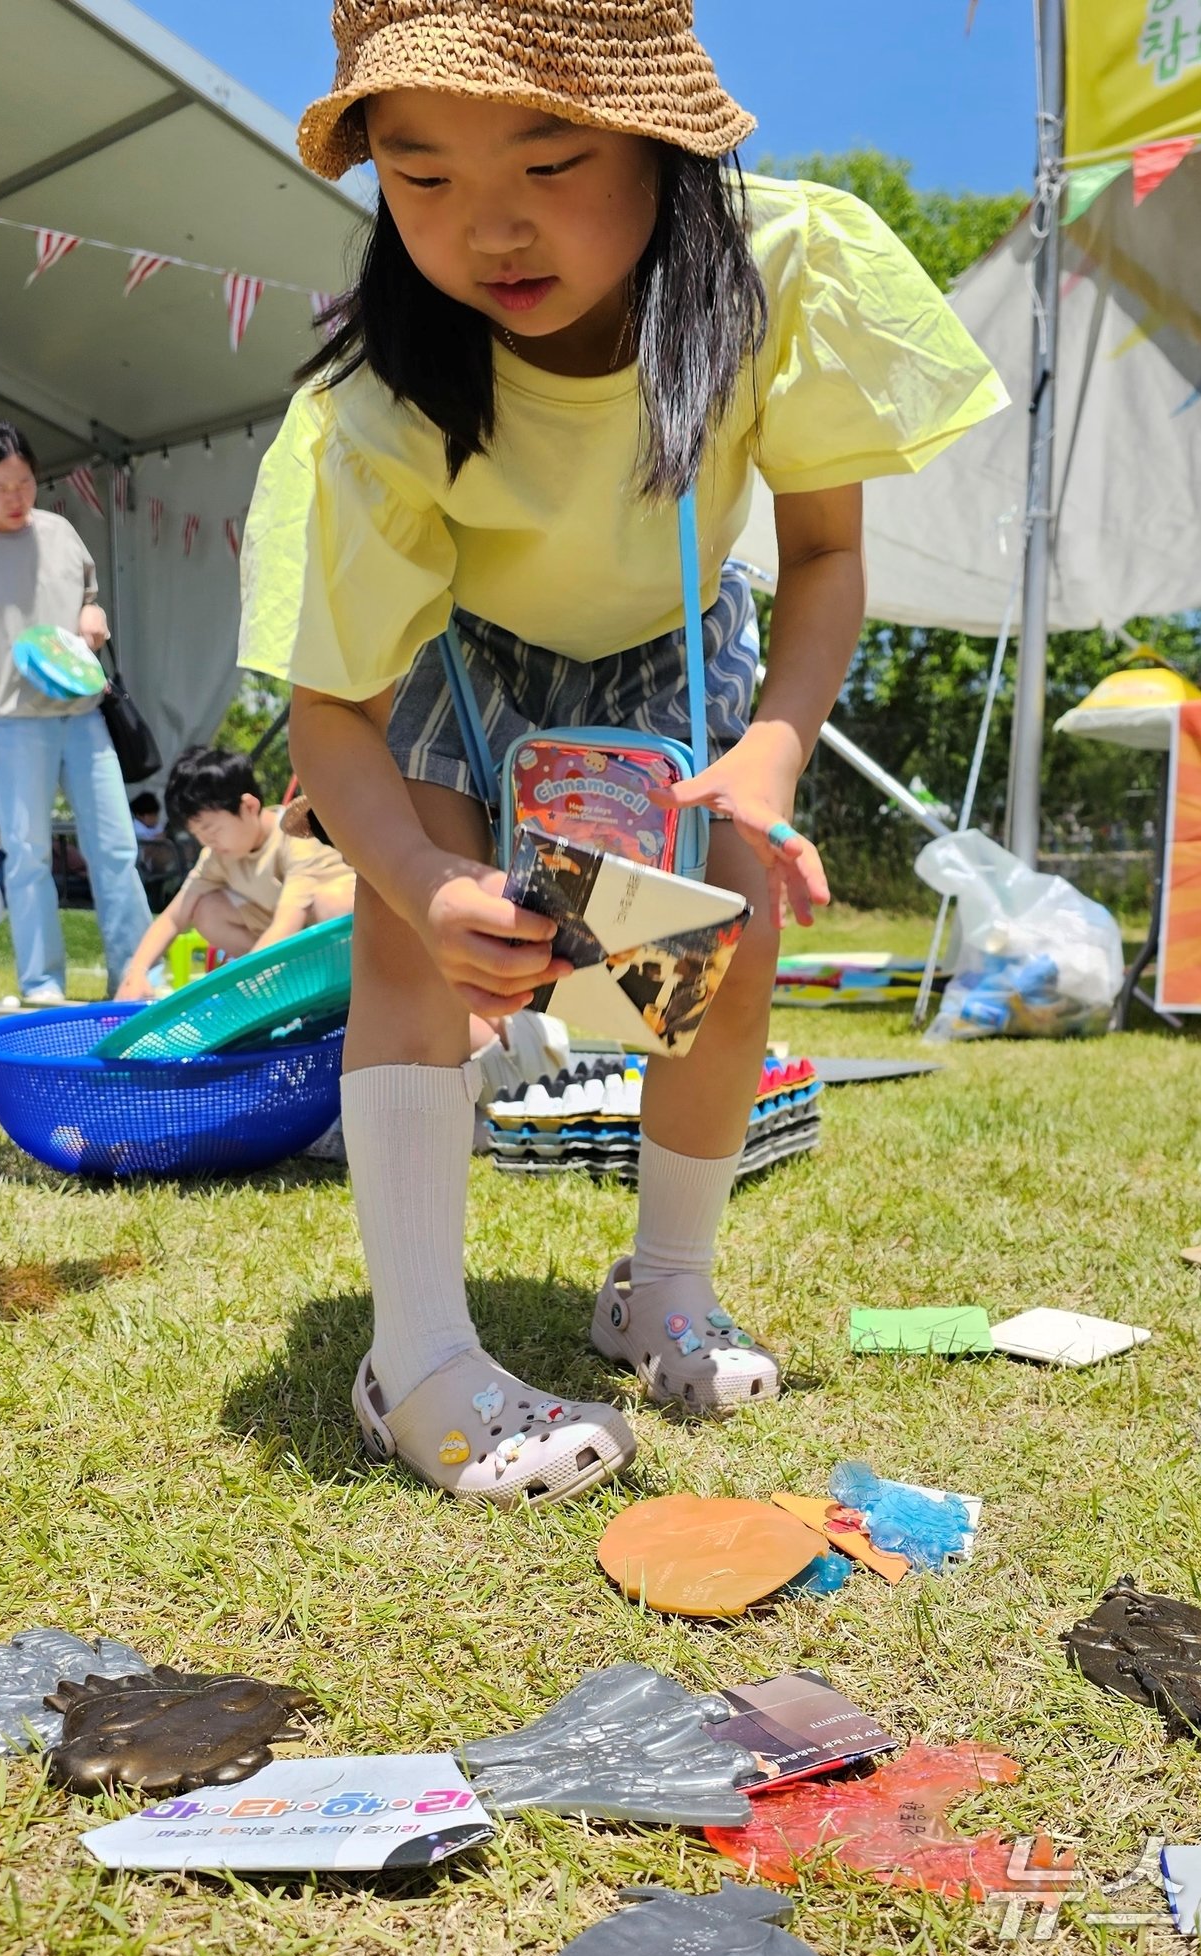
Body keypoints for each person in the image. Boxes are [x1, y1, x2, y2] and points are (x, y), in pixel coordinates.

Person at [239, 0, 1006, 1509]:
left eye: (550, 152)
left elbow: (830, 555)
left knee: (722, 952)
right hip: (461, 659)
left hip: (677, 653)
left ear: (662, 141)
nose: (491, 226)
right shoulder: (372, 401)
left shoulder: (786, 271)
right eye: (423, 174)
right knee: (413, 947)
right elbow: (331, 708)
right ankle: (414, 1352)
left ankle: (661, 1284)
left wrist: (776, 749)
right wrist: (416, 882)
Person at [0, 422, 153, 1003]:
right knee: (27, 855)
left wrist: (93, 615)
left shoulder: (59, 531)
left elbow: (88, 595)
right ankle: (41, 984)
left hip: (82, 714)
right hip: (7, 722)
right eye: (0, 486)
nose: (16, 497)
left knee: (115, 847)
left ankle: (137, 974)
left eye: (25, 482)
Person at [116, 747, 355, 998]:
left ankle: (343, 990)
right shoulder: (218, 855)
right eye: (199, 835)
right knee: (205, 909)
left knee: (332, 901)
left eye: (213, 830)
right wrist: (136, 973)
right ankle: (284, 984)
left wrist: (243, 986)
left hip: (338, 939)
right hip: (289, 949)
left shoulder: (295, 837)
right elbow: (174, 916)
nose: (208, 842)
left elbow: (287, 922)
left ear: (249, 806)